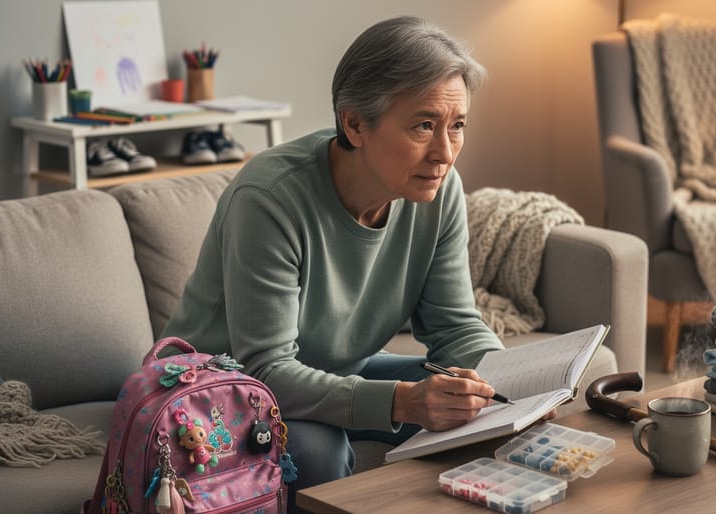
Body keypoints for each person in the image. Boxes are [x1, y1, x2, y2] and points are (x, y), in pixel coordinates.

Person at [161, 15, 510, 509]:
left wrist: (518, 383)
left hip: (333, 368)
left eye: (457, 126)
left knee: (473, 406)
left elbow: (454, 326)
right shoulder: (270, 198)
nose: (445, 153)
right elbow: (267, 369)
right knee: (318, 451)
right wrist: (401, 400)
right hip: (217, 389)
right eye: (424, 126)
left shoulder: (440, 190)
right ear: (355, 124)